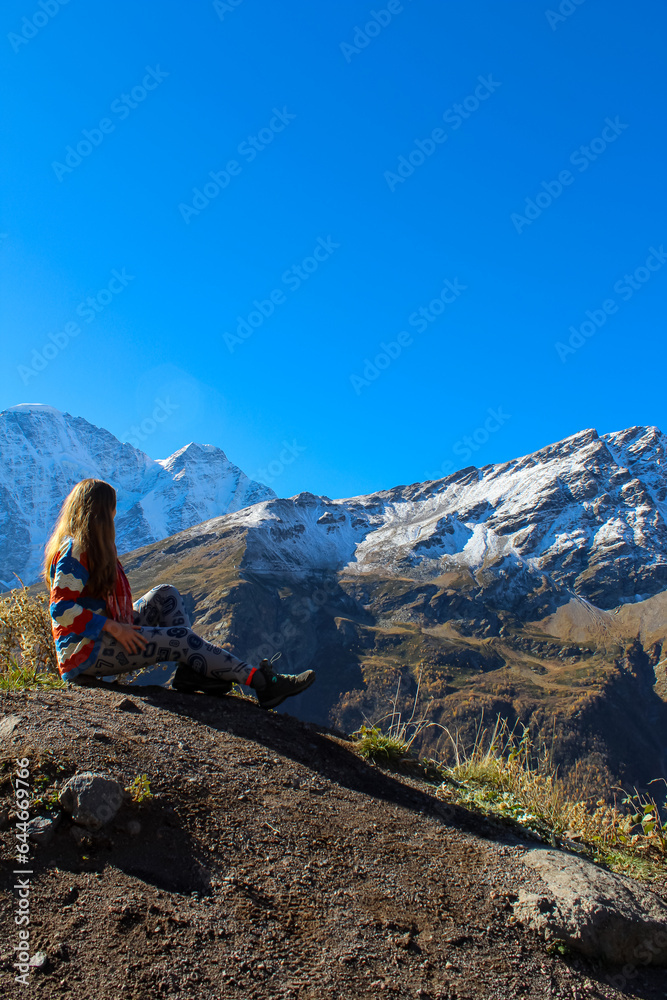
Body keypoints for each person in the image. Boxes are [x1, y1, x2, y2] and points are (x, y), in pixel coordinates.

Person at [44, 478, 315, 709]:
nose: (116, 515)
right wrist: (115, 628)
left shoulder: (92, 547)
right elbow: (62, 609)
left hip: (104, 636)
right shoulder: (75, 550)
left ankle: (190, 670)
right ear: (102, 512)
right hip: (85, 653)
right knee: (181, 638)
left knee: (165, 593)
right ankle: (262, 683)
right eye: (113, 509)